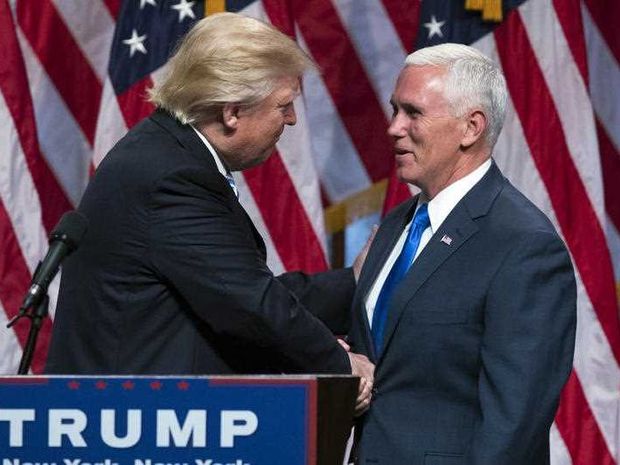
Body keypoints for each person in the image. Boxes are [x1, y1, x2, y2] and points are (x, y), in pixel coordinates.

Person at [46, 12, 373, 412]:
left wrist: (354, 281)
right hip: (136, 426)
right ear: (231, 112)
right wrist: (343, 366)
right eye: (284, 105)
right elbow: (249, 304)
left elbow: (233, 288)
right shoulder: (172, 177)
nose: (290, 119)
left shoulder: (167, 152)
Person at [347, 43, 577, 464]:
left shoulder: (524, 245)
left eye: (413, 113)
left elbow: (515, 421)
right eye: (394, 109)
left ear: (471, 127)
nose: (393, 127)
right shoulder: (395, 226)